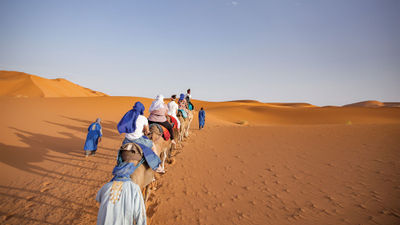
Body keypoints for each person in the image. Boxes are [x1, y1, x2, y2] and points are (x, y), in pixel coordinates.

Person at [117, 101, 164, 173]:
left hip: (127, 140)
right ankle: (157, 166)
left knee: (120, 151)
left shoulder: (129, 115)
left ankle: (118, 164)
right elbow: (147, 131)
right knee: (152, 145)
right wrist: (147, 132)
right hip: (138, 140)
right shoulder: (143, 118)